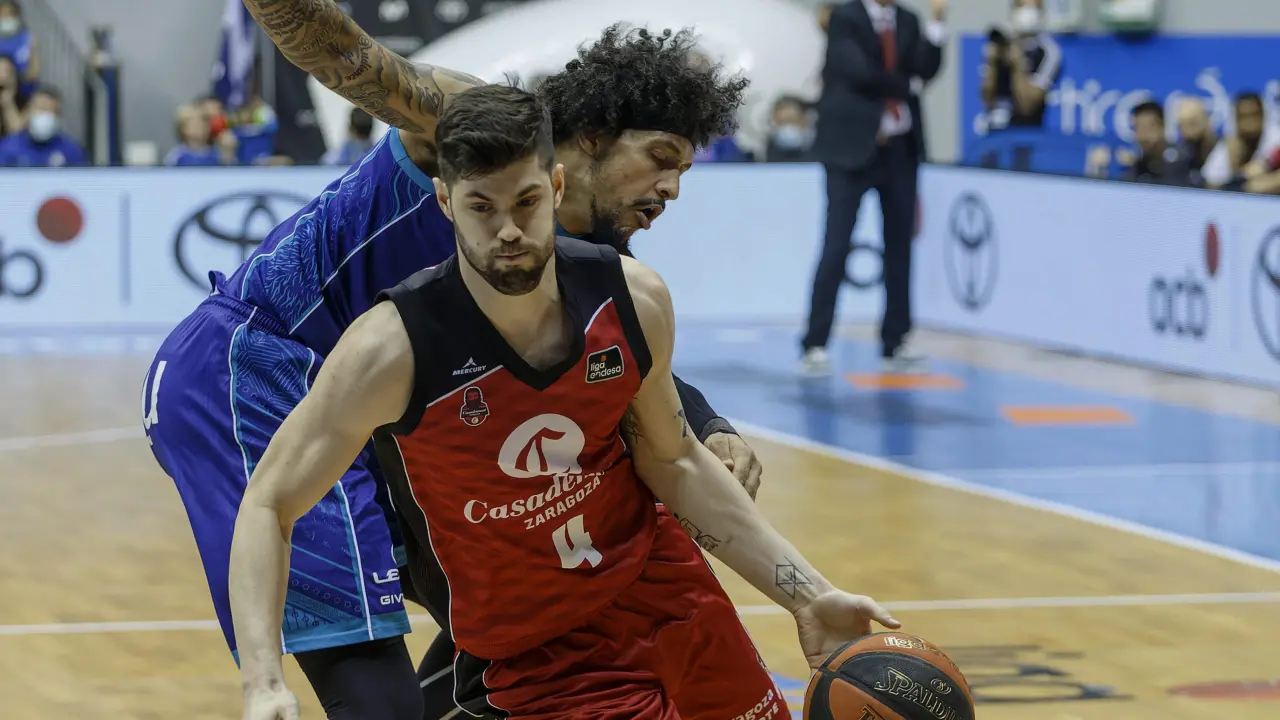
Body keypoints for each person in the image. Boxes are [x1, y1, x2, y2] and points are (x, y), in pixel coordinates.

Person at [143, 5, 757, 718]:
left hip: (370, 414)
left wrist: (707, 425)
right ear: (591, 138)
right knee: (369, 672)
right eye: (661, 158)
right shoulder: (475, 124)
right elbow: (344, 55)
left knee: (519, 594)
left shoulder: (580, 255)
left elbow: (621, 350)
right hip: (258, 367)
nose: (672, 188)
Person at [229, 83, 898, 720]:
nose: (508, 230)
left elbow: (675, 462)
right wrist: (263, 681)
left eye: (525, 202)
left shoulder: (631, 298)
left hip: (668, 593)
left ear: (554, 187)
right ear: (445, 203)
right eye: (482, 207)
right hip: (542, 653)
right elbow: (269, 503)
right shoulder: (390, 349)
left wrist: (808, 596)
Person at [802, 0, 948, 374]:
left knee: (900, 246)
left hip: (900, 150)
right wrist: (909, 84)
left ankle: (895, 340)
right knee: (837, 244)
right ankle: (815, 343)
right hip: (850, 150)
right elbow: (859, 73)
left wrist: (936, 25)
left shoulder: (909, 20)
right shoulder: (845, 18)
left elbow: (926, 68)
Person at [0, 84, 84, 166]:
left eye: (48, 110)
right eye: (40, 108)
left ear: (58, 116)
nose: (43, 115)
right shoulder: (9, 146)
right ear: (29, 112)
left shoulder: (71, 151)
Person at [0, 0, 39, 95]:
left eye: (9, 14)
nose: (5, 18)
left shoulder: (28, 39)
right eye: (2, 14)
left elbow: (34, 73)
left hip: (21, 88)